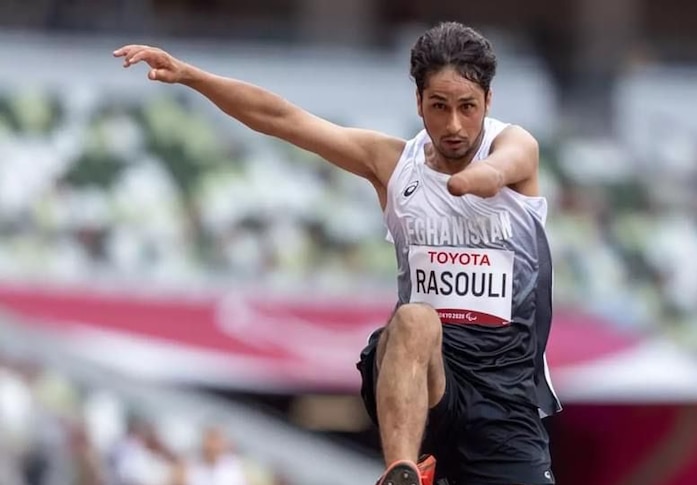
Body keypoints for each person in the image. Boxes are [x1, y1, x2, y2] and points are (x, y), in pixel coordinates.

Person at [114, 20, 561, 485]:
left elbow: (507, 165)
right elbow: (283, 120)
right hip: (421, 379)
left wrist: (475, 179)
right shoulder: (392, 164)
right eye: (439, 106)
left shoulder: (514, 145)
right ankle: (403, 472)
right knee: (414, 319)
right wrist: (191, 76)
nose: (453, 124)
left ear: (488, 102)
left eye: (467, 108)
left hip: (504, 396)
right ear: (418, 103)